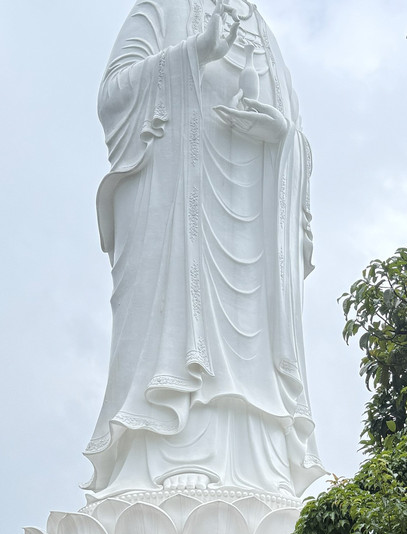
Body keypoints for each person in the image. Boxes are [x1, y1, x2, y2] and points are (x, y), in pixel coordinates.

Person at [86, 0, 325, 500]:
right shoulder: (160, 9)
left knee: (251, 345)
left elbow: (296, 138)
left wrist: (280, 137)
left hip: (254, 227)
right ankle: (178, 452)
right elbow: (113, 98)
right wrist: (194, 52)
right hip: (176, 212)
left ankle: (261, 465)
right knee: (178, 324)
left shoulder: (264, 32)